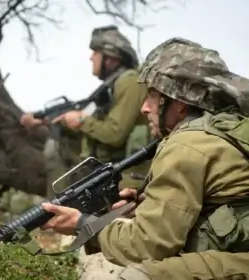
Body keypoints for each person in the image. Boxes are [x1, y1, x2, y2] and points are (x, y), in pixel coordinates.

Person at [40, 37, 249, 279]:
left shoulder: (187, 144)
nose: (144, 108)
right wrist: (147, 203)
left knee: (137, 276)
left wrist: (82, 224)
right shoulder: (223, 129)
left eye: (152, 96)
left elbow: (149, 245)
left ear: (179, 103)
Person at [20, 25, 150, 197]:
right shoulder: (112, 86)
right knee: (59, 139)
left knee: (56, 145)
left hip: (127, 174)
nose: (91, 58)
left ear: (110, 58)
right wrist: (48, 120)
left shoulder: (130, 82)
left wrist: (82, 121)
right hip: (109, 167)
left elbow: (114, 134)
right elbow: (93, 125)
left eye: (95, 52)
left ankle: (55, 209)